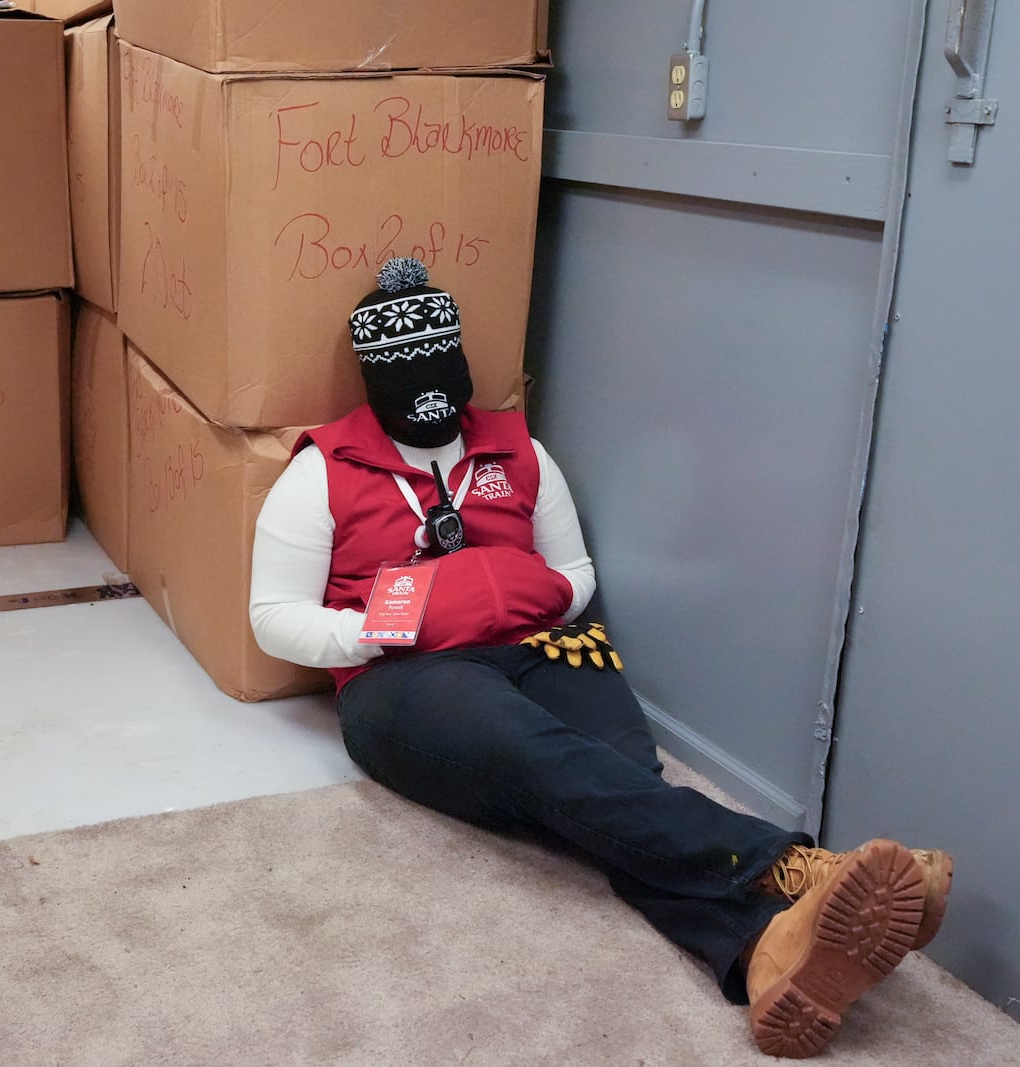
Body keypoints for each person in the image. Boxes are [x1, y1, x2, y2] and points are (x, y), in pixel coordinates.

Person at [249, 258, 952, 1058]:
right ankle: (792, 866)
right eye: (407, 378)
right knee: (540, 757)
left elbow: (575, 575)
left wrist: (518, 593)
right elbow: (272, 617)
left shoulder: (521, 453)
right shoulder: (323, 471)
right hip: (403, 677)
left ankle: (765, 956)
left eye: (441, 368)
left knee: (612, 786)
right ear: (377, 381)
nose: (430, 394)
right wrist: (381, 630)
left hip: (543, 645)